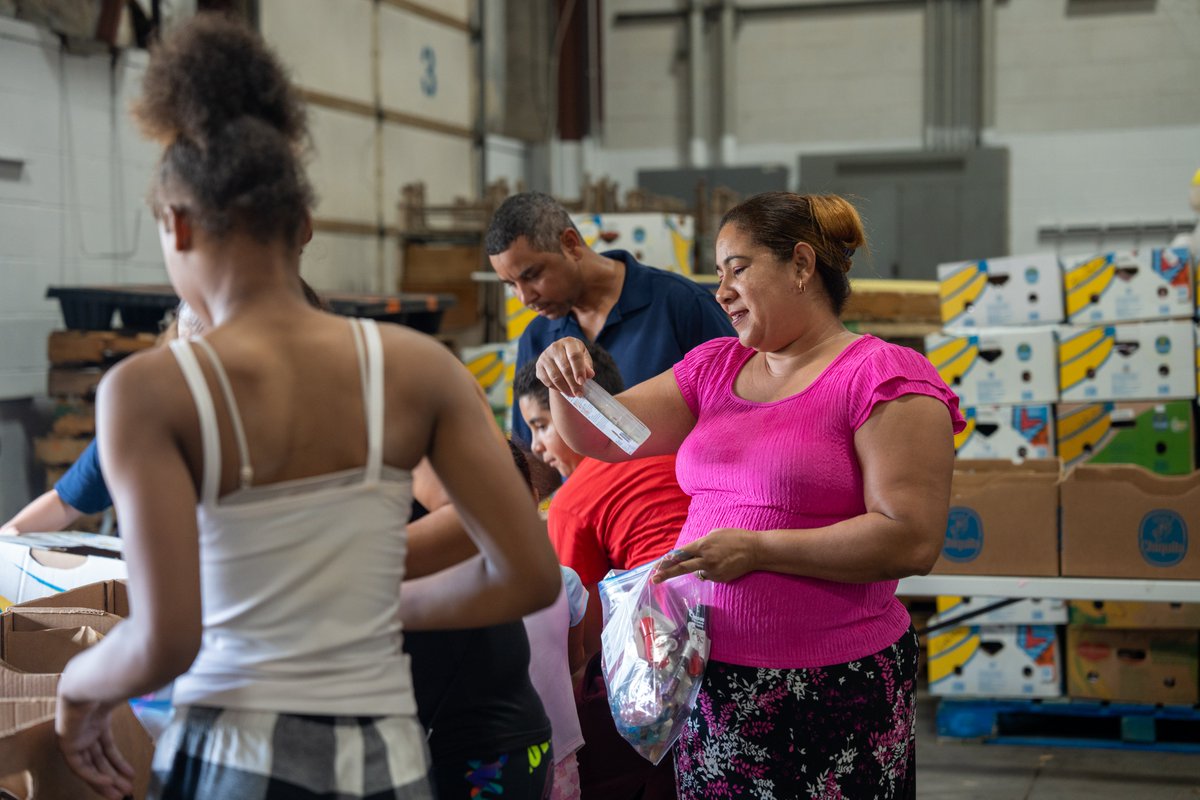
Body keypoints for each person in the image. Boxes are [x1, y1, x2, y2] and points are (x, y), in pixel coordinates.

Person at [53, 15, 559, 800]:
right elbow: (530, 575)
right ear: (306, 226)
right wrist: (380, 603)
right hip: (387, 764)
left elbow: (165, 639)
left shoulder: (150, 389)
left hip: (236, 760)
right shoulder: (418, 368)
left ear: (175, 225)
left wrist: (77, 690)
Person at [534, 191, 964, 799]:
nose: (721, 291)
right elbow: (606, 438)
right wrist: (566, 381)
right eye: (718, 274)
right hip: (708, 682)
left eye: (737, 269)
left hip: (831, 688)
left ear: (802, 264)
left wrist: (759, 550)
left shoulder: (884, 377)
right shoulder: (714, 368)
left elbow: (910, 539)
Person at [514, 343, 688, 800]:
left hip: (670, 656)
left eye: (542, 424)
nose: (537, 446)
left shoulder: (573, 501)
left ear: (584, 412)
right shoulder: (673, 448)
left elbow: (586, 643)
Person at [485, 192, 734, 445]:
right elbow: (530, 450)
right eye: (511, 285)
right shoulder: (536, 338)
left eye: (532, 275)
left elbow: (737, 415)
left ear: (570, 244)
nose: (524, 298)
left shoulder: (683, 305)